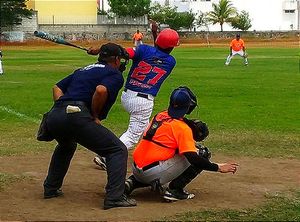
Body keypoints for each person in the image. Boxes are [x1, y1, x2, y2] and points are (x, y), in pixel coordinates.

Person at [42, 43, 136, 210]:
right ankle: (114, 197)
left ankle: (51, 188)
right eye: (120, 59)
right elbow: (100, 91)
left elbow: (57, 87)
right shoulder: (114, 74)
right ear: (115, 59)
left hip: (54, 116)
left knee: (66, 144)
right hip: (77, 115)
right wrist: (95, 116)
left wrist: (63, 108)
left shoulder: (83, 70)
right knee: (117, 150)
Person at [124, 86, 239, 201]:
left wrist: (189, 123)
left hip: (136, 170)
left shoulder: (159, 116)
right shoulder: (182, 129)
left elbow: (173, 126)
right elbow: (194, 159)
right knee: (201, 153)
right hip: (152, 173)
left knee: (163, 150)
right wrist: (218, 167)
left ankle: (132, 182)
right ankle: (175, 190)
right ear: (189, 107)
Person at [93, 28, 180, 170]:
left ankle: (150, 153)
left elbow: (124, 53)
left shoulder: (143, 49)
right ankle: (106, 157)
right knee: (133, 135)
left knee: (148, 128)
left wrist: (100, 51)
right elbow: (159, 51)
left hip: (127, 95)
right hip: (143, 101)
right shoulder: (171, 61)